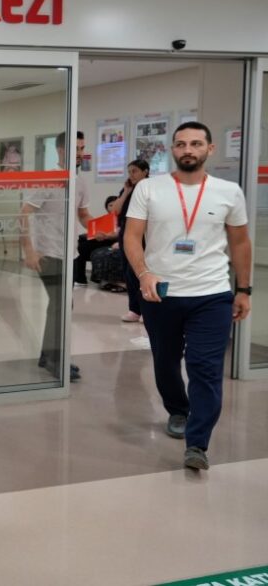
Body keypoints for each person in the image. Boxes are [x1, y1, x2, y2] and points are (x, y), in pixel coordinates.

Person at [124, 121, 251, 471]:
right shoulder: (149, 188)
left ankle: (197, 443)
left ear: (210, 149)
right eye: (181, 144)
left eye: (196, 143)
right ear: (172, 150)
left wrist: (243, 289)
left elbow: (240, 243)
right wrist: (144, 273)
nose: (188, 150)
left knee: (205, 367)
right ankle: (178, 410)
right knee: (166, 361)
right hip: (161, 293)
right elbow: (132, 236)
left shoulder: (228, 191)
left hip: (212, 294)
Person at [20, 131, 89, 383]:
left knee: (60, 305)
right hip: (48, 252)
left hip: (70, 253)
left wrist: (99, 228)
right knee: (60, 304)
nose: (80, 153)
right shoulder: (48, 179)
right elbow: (24, 213)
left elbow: (83, 215)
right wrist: (29, 250)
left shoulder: (79, 181)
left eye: (82, 148)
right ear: (61, 150)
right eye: (75, 148)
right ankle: (54, 359)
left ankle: (47, 355)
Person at [108, 159, 151, 322]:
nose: (131, 175)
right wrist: (126, 191)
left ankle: (147, 309)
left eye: (135, 171)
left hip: (142, 235)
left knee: (140, 272)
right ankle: (134, 309)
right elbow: (115, 210)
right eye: (129, 171)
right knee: (128, 273)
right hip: (125, 233)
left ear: (145, 172)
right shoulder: (127, 189)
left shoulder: (150, 188)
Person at [73, 194, 118, 285]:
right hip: (102, 239)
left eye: (115, 205)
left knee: (82, 247)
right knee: (79, 241)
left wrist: (107, 236)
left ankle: (80, 278)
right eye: (110, 205)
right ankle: (79, 277)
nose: (112, 207)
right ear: (106, 207)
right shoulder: (105, 219)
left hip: (112, 241)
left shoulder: (122, 219)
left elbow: (120, 234)